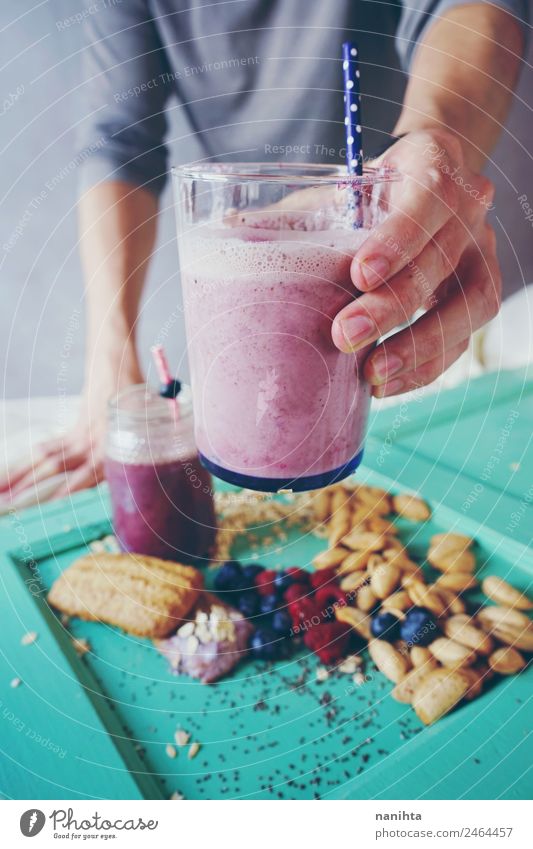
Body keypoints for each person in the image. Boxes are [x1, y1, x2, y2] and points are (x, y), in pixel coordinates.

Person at [1, 0, 526, 500]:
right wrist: (109, 358)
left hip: (378, 226)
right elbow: (118, 143)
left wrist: (436, 151)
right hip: (234, 224)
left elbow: (474, 10)